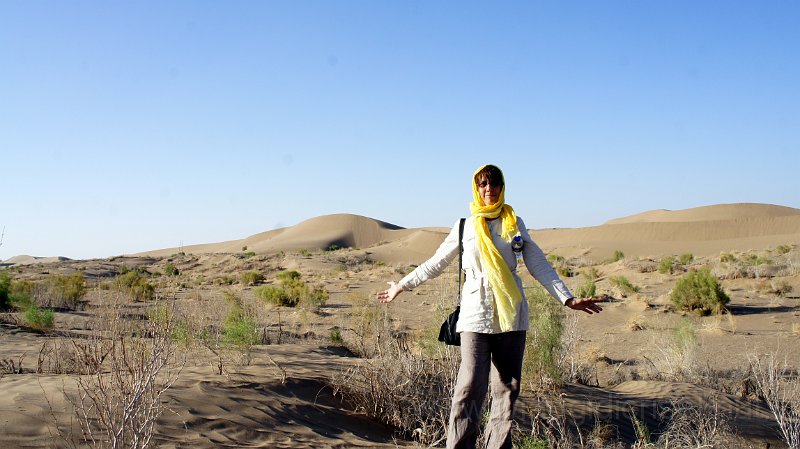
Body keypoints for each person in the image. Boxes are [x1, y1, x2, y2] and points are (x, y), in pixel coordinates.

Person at [377, 164, 603, 449]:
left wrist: (567, 298)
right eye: (483, 183)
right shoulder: (465, 226)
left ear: (502, 187)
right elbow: (436, 262)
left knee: (506, 388)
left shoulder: (514, 223)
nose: (488, 189)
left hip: (511, 314)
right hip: (475, 314)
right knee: (469, 385)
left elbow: (537, 263)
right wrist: (402, 285)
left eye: (494, 183)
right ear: (476, 187)